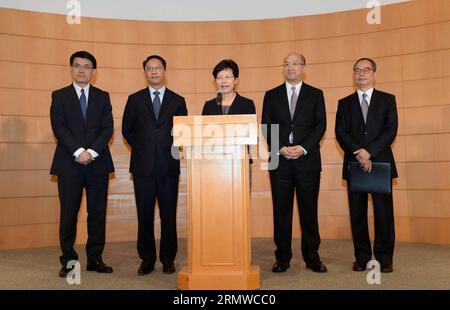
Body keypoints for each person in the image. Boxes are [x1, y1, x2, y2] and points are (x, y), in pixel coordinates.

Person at [50, 51, 114, 278]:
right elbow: (59, 127)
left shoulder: (103, 96)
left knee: (97, 213)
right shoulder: (59, 96)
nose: (81, 70)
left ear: (94, 72)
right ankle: (68, 260)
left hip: (98, 164)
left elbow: (108, 128)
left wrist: (92, 152)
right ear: (71, 68)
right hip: (69, 163)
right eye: (77, 66)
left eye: (87, 67)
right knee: (69, 213)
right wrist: (78, 151)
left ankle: (95, 258)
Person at [261, 52, 327, 273]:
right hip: (279, 162)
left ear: (303, 67)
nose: (291, 67)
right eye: (287, 64)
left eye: (296, 63)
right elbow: (266, 125)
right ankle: (282, 257)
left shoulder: (316, 94)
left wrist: (302, 147)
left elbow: (320, 126)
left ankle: (312, 257)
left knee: (309, 211)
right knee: (281, 212)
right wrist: (281, 147)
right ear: (283, 68)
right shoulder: (271, 95)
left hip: (307, 161)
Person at [122, 55, 188, 275]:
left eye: (157, 68)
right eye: (149, 69)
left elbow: (183, 132)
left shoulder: (178, 100)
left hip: (169, 166)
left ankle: (168, 258)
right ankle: (147, 259)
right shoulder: (134, 99)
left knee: (169, 214)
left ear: (164, 71)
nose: (153, 72)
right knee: (145, 214)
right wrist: (143, 148)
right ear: (145, 73)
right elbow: (127, 130)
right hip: (143, 167)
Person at [335, 58, 398, 273]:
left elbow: (390, 130)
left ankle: (385, 258)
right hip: (354, 163)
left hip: (380, 162)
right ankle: (362, 257)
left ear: (373, 74)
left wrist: (369, 151)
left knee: (383, 214)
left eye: (366, 70)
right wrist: (359, 152)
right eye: (357, 70)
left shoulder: (387, 100)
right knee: (357, 213)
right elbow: (340, 132)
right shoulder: (344, 103)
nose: (361, 74)